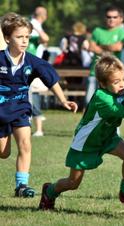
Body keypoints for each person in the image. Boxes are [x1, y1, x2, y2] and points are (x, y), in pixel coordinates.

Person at [38, 55, 124, 210]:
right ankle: (49, 191)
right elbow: (117, 110)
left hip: (107, 137)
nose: (122, 85)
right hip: (86, 142)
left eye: (123, 79)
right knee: (73, 183)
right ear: (102, 83)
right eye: (116, 82)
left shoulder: (123, 92)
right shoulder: (101, 96)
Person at [0, 12, 78, 198]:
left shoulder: (32, 61)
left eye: (27, 37)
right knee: (3, 153)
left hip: (20, 108)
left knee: (26, 145)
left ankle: (21, 186)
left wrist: (63, 100)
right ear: (7, 38)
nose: (24, 41)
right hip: (1, 111)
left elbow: (51, 80)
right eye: (20, 37)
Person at [86, 6, 124, 106]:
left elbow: (118, 47)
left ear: (120, 18)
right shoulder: (97, 31)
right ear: (105, 18)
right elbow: (91, 47)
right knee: (89, 101)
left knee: (113, 103)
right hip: (95, 71)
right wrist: (108, 48)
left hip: (114, 74)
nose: (111, 19)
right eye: (109, 17)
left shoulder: (122, 32)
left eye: (114, 17)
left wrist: (100, 45)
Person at [27, 6, 50, 137]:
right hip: (21, 70)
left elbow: (45, 39)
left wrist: (35, 27)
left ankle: (39, 129)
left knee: (34, 98)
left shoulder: (35, 37)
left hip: (33, 70)